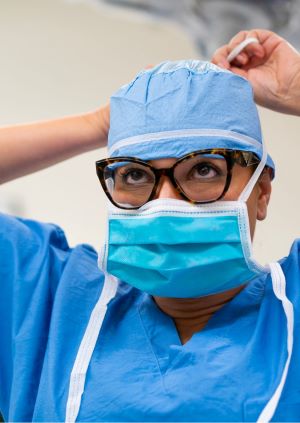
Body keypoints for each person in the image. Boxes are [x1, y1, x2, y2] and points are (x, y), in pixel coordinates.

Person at [0, 29, 299, 422]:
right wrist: (99, 123)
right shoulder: (52, 304)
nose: (165, 203)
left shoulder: (288, 307)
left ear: (261, 193)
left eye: (204, 169)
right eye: (136, 176)